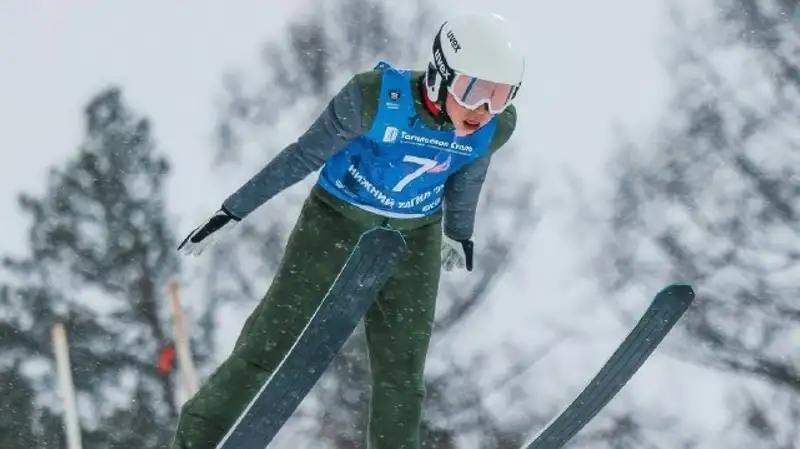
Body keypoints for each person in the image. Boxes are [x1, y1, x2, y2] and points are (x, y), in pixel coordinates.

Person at [171, 11, 525, 449]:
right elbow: (301, 157)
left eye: (501, 95)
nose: (484, 110)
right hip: (337, 222)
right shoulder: (374, 99)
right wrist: (233, 211)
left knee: (403, 374)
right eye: (475, 91)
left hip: (412, 238)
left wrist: (458, 231)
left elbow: (469, 172)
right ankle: (198, 438)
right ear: (441, 73)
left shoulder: (495, 128)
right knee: (270, 345)